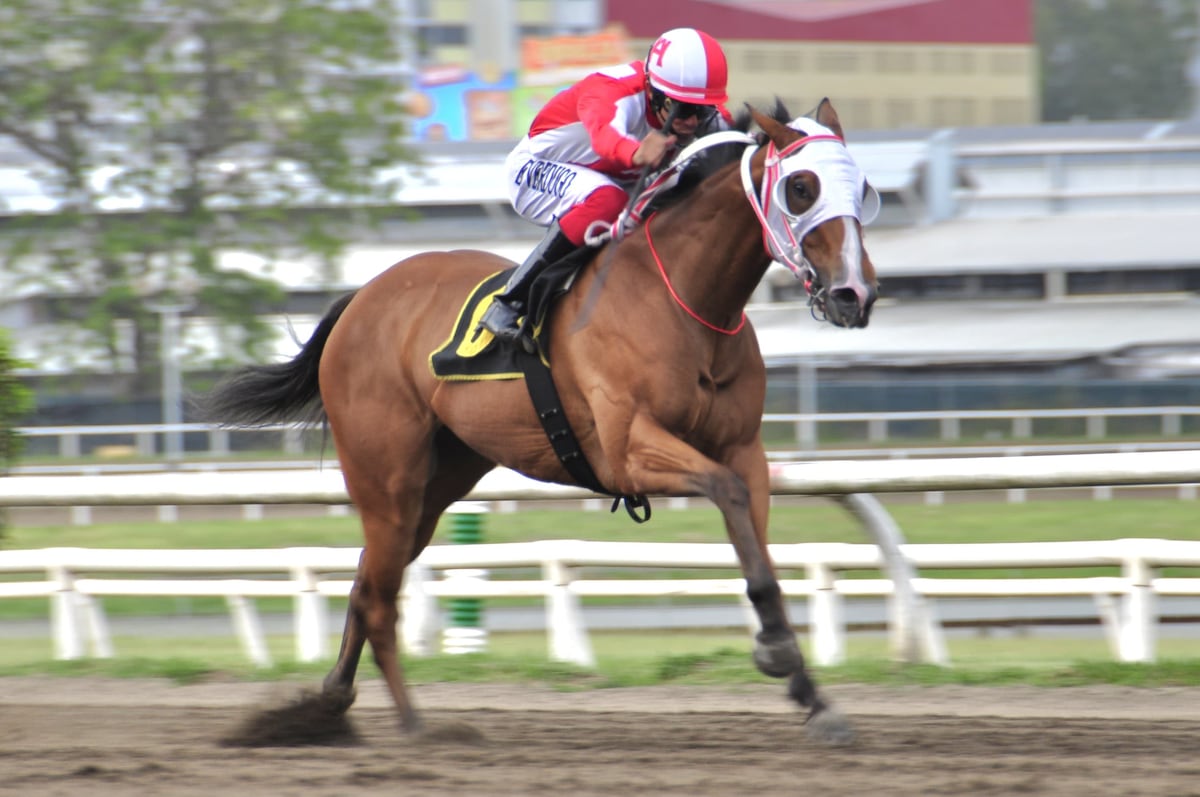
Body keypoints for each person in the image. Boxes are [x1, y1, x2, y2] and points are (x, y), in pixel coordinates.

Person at [478, 27, 734, 345]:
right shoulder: (611, 90)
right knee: (607, 200)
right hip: (535, 169)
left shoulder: (691, 106)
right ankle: (509, 303)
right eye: (682, 109)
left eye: (702, 110)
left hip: (613, 179)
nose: (692, 122)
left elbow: (737, 147)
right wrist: (638, 152)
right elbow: (605, 138)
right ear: (653, 91)